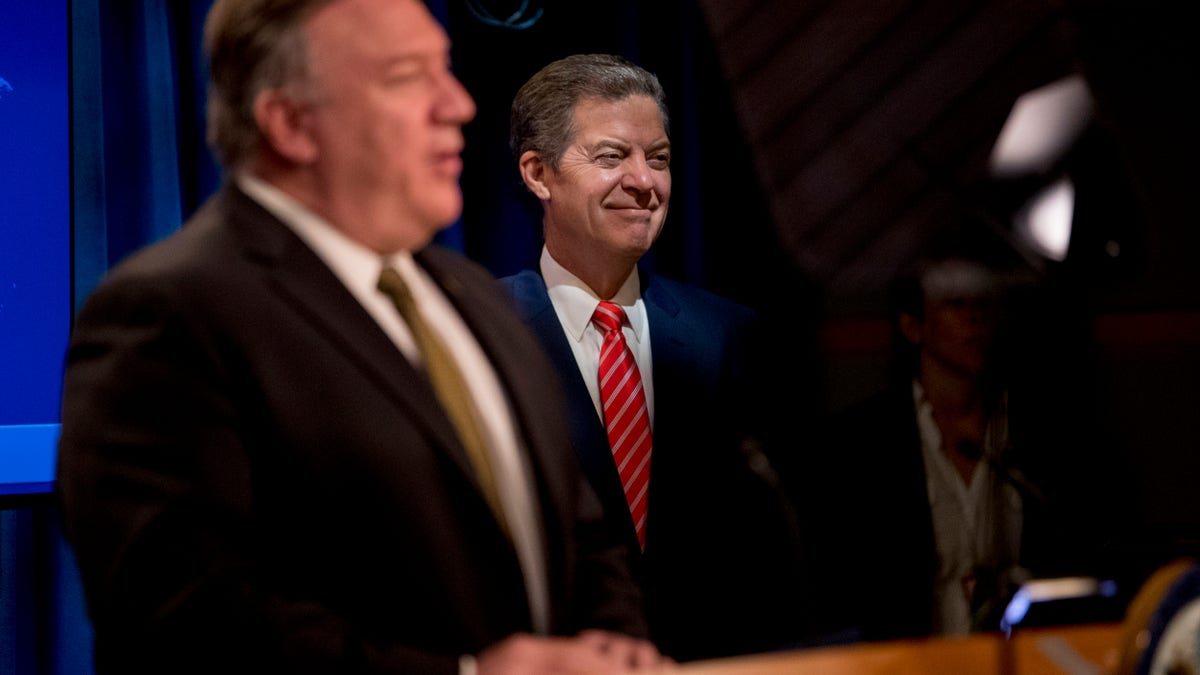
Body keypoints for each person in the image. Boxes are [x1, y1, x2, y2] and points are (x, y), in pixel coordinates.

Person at [54, 2, 674, 673]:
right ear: (291, 123)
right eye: (409, 77)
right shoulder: (166, 314)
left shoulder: (470, 297)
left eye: (447, 70)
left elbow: (579, 536)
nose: (459, 104)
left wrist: (617, 648)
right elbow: (190, 625)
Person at [500, 53, 810, 661]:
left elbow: (766, 548)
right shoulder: (483, 331)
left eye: (659, 158)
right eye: (612, 157)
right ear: (539, 174)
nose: (645, 182)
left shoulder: (726, 334)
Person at [805, 248, 1129, 642]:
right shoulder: (863, 444)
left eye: (984, 304)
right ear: (913, 325)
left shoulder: (1042, 437)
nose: (973, 318)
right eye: (955, 304)